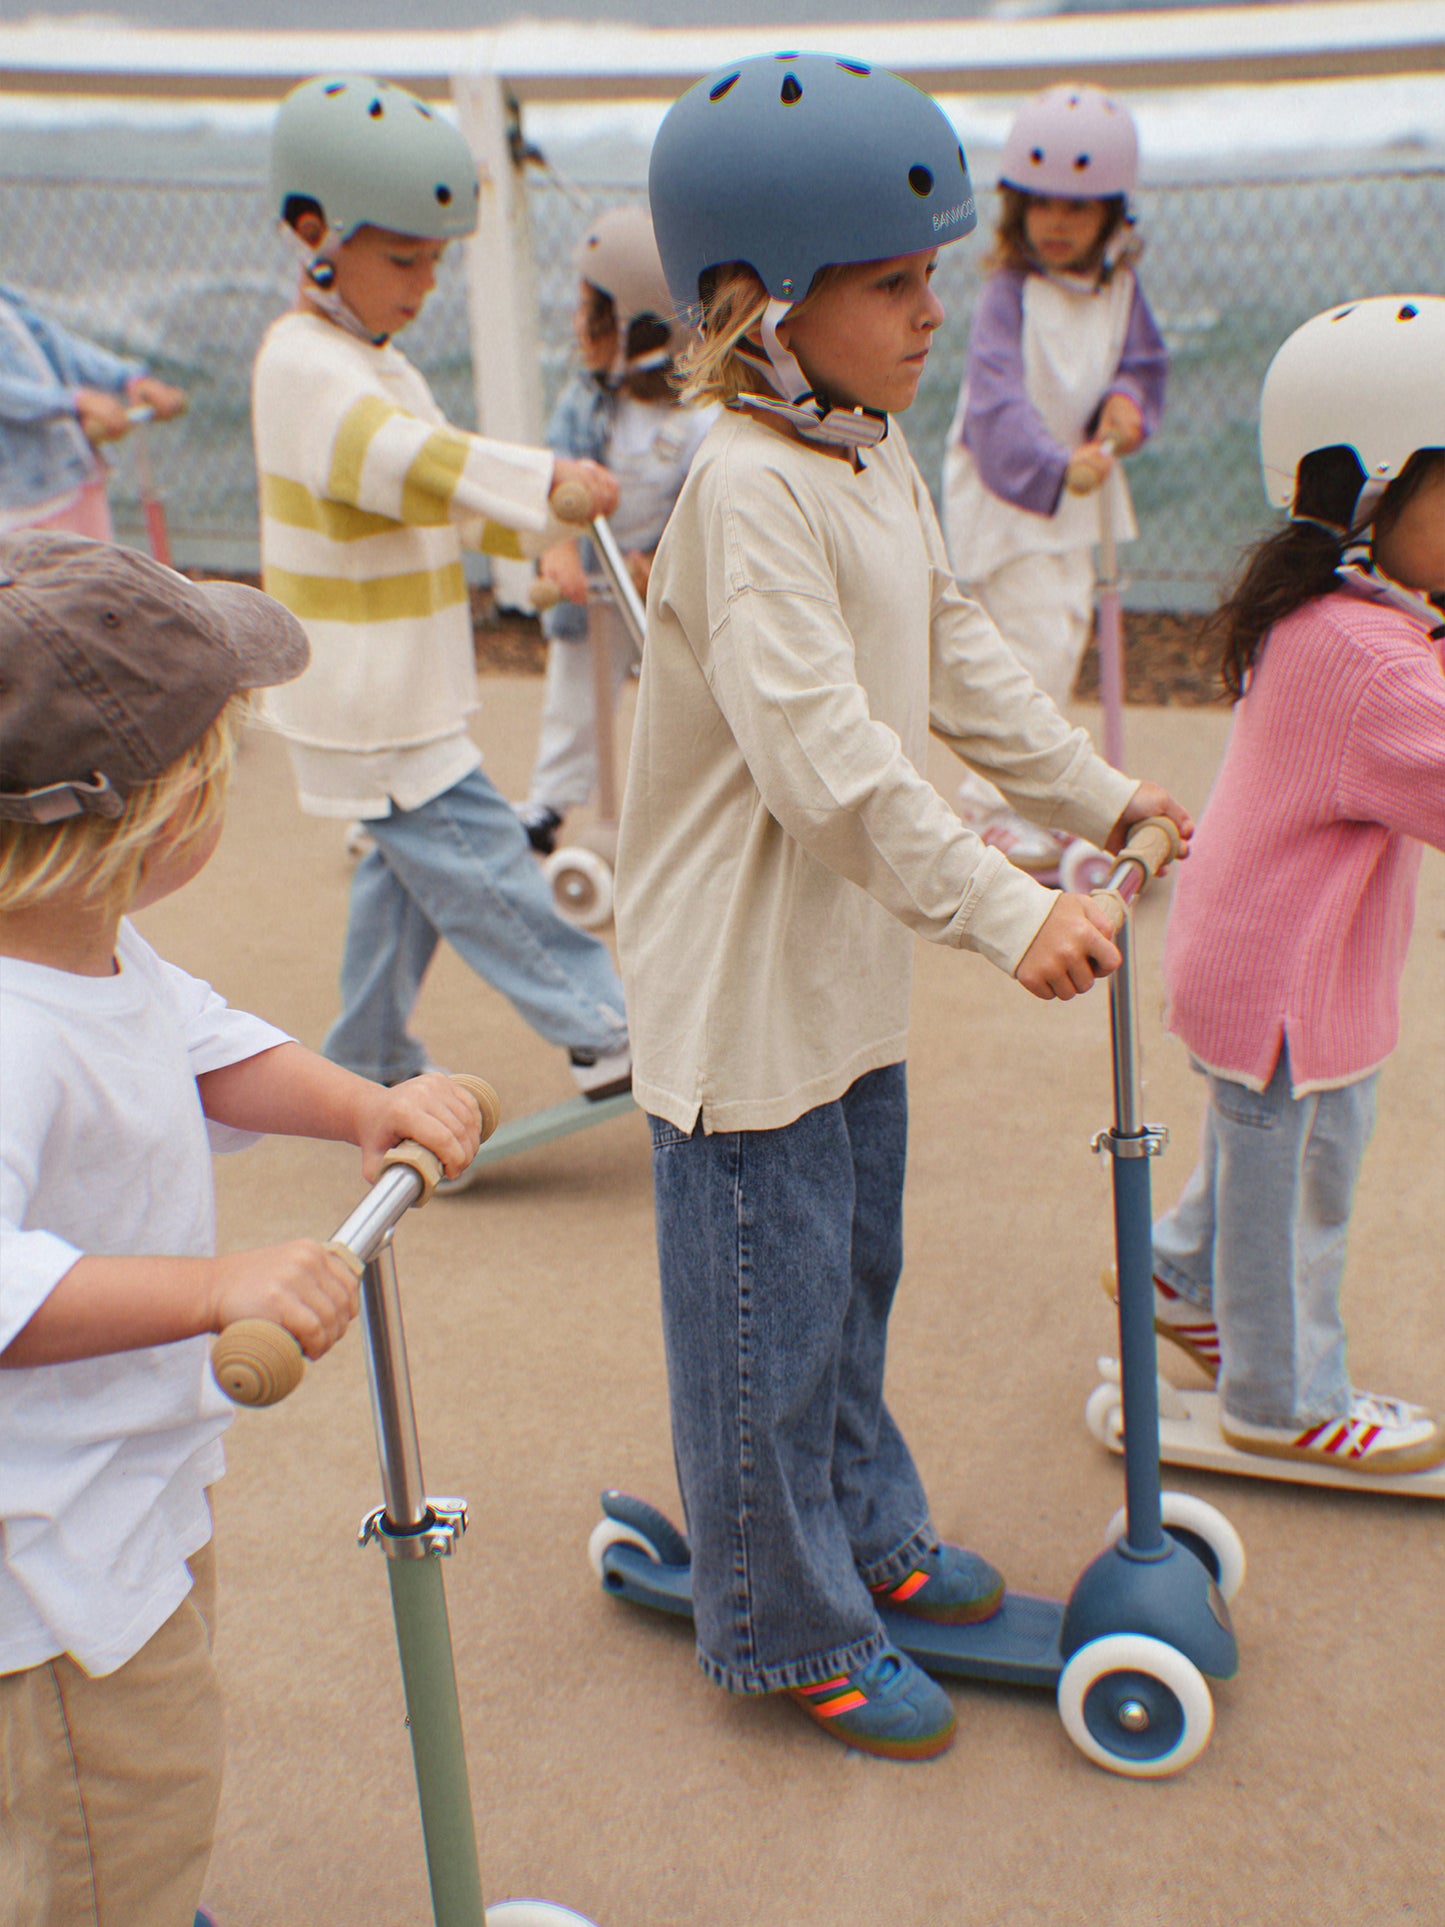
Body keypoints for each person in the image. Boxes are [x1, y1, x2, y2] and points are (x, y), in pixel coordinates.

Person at [614, 52, 1192, 1762]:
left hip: (843, 977)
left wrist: (1099, 795)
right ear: (760, 306)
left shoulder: (863, 453)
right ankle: (781, 1620)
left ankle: (864, 1533)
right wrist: (1012, 908)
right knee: (762, 1317)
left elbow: (955, 661)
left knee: (850, 1281)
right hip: (742, 1004)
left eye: (938, 271)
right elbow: (830, 767)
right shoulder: (746, 493)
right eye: (893, 281)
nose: (936, 307)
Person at [0, 530, 483, 1926]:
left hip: (119, 1485)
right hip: (45, 1553)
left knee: (126, 1773)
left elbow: (198, 1041)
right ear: (148, 818)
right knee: (113, 1811)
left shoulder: (80, 937)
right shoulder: (13, 1026)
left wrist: (359, 1106)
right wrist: (220, 1283)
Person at [253, 74, 629, 1094]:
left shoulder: (365, 357)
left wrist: (541, 530)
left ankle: (367, 1053)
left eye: (433, 261)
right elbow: (412, 461)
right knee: (480, 864)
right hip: (372, 692)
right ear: (313, 230)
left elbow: (430, 484)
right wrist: (545, 481)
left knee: (406, 879)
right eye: (402, 257)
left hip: (389, 682)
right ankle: (601, 1022)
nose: (421, 284)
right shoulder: (307, 369)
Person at [1149, 294, 1445, 1476]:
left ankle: (1179, 1271)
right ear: (1373, 494)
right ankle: (1279, 1395)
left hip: (1267, 963)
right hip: (1287, 990)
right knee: (1297, 1193)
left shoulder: (1329, 613)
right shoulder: (1367, 658)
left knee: (1255, 1160)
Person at [940, 84, 1167, 873]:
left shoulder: (1118, 289)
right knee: (1023, 652)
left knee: (1064, 634)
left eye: (1077, 208)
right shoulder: (1010, 294)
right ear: (1015, 210)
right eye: (1040, 206)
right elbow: (993, 404)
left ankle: (1053, 798)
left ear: (1110, 214)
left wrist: (1127, 405)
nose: (1057, 224)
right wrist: (1050, 464)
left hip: (1078, 492)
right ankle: (988, 808)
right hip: (1013, 495)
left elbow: (1138, 365)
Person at [517, 204, 712, 856]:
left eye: (590, 312)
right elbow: (555, 478)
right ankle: (547, 805)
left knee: (683, 700)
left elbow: (700, 498)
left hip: (656, 580)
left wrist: (662, 556)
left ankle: (693, 816)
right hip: (592, 579)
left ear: (642, 328)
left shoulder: (695, 419)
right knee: (575, 697)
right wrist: (560, 551)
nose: (577, 325)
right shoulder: (587, 400)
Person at [0, 282, 187, 539]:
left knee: (100, 569)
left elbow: (62, 346)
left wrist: (129, 379)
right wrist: (76, 401)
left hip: (72, 473)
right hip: (20, 504)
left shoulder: (8, 301)